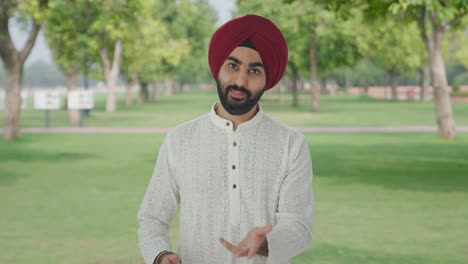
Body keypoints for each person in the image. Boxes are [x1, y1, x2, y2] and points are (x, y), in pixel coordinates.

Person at [138, 14, 313, 264]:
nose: (240, 81)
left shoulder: (291, 145)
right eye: (233, 66)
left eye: (254, 70)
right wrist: (160, 254)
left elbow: (299, 227)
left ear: (268, 80)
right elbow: (153, 216)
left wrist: (265, 243)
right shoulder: (180, 140)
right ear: (218, 67)